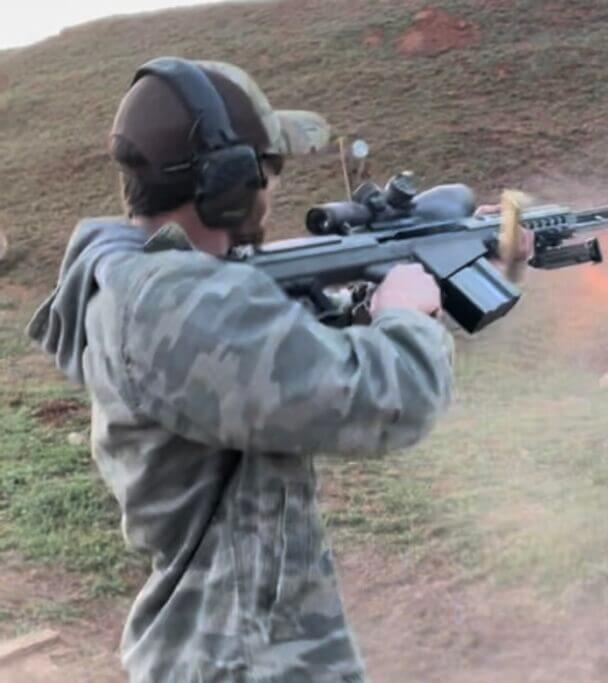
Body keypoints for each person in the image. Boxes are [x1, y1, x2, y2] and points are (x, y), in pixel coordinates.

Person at [26, 57, 455, 682]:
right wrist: (410, 316)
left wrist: (370, 305)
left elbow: (274, 351)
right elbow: (386, 399)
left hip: (236, 639)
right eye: (268, 170)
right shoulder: (175, 305)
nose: (273, 188)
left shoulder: (144, 284)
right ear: (227, 182)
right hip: (239, 654)